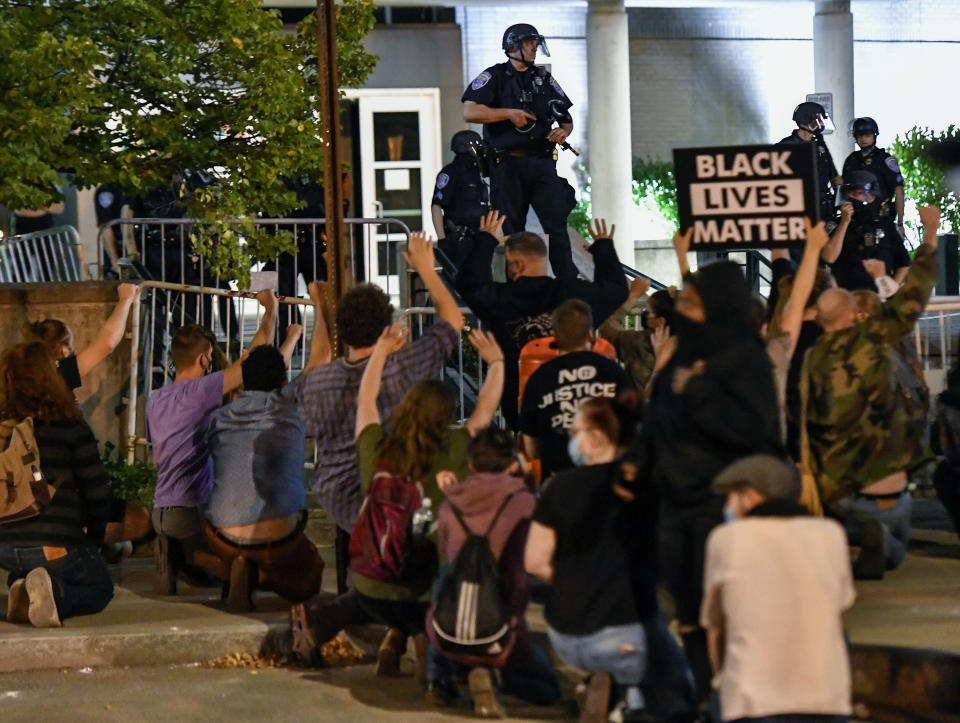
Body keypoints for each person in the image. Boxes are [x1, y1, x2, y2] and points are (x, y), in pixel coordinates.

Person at [291, 322, 505, 681]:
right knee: (438, 569)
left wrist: (380, 354)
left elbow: (365, 400)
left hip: (373, 588)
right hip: (424, 598)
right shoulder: (454, 450)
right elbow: (484, 410)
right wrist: (496, 364)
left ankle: (320, 629)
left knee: (367, 594)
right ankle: (424, 648)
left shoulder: (378, 448)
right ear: (448, 418)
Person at [642, 247, 782, 708]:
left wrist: (699, 391)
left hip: (719, 507)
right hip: (676, 506)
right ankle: (703, 695)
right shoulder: (684, 355)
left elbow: (750, 430)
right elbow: (661, 418)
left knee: (725, 613)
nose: (683, 312)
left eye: (692, 305)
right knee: (689, 614)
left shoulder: (745, 359)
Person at [804, 206, 940, 580]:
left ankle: (860, 534)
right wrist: (930, 233)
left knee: (854, 530)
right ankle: (882, 536)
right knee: (896, 550)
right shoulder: (875, 337)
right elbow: (916, 290)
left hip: (838, 495)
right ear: (854, 316)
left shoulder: (813, 358)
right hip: (888, 492)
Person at [296, 231, 464, 535]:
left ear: (343, 331)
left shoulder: (318, 381)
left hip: (337, 497)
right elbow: (453, 320)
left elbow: (308, 425)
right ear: (387, 326)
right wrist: (426, 268)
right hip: (395, 494)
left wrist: (320, 308)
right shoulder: (404, 366)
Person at [525, 396, 662, 722]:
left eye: (576, 432)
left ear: (597, 436)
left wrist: (573, 578)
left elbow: (533, 561)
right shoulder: (644, 487)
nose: (572, 440)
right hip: (622, 629)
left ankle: (599, 684)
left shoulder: (560, 487)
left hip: (567, 631)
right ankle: (626, 699)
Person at [202, 285, 332, 611]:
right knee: (310, 579)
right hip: (280, 535)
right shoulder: (290, 405)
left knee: (203, 545)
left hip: (222, 533)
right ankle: (262, 576)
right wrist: (321, 304)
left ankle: (241, 569)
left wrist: (270, 313)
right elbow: (322, 358)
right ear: (284, 382)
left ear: (242, 381)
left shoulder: (220, 415)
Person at [701, 455, 855, 723]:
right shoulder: (831, 534)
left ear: (749, 496)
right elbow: (840, 607)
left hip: (754, 702)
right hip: (827, 699)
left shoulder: (727, 539)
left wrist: (721, 682)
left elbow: (715, 629)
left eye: (730, 498)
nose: (727, 507)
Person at [147, 289, 278, 594]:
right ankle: (192, 560)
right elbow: (257, 360)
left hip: (160, 510)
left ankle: (176, 555)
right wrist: (270, 310)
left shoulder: (155, 399)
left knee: (205, 565)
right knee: (245, 568)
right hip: (192, 512)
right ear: (204, 358)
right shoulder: (201, 392)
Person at [429, 427, 560, 717]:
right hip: (502, 632)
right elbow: (533, 561)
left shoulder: (450, 504)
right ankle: (491, 674)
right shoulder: (525, 502)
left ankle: (443, 675)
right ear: (513, 464)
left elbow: (448, 552)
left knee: (447, 575)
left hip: (448, 633)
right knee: (549, 689)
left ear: (472, 464)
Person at [456, 212, 628, 429]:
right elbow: (617, 290)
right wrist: (603, 249)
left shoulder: (500, 298)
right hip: (575, 406)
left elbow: (468, 284)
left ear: (515, 265)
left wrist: (486, 240)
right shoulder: (574, 294)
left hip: (521, 406)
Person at [0, 342, 114, 627]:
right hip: (54, 547)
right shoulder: (69, 426)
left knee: (29, 571)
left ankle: (21, 586)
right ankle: (58, 597)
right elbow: (98, 493)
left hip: (4, 549)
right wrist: (94, 542)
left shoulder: (3, 428)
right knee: (99, 588)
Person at [461, 23, 578, 280]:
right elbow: (470, 111)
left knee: (556, 225)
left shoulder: (543, 77)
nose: (534, 49)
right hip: (507, 166)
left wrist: (565, 130)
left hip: (542, 162)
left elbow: (565, 115)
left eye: (536, 44)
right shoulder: (494, 76)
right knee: (513, 231)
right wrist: (508, 113)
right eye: (529, 44)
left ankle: (568, 285)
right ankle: (518, 287)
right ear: (513, 46)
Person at [520, 299, 634, 480]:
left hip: (559, 483)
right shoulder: (612, 371)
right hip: (607, 481)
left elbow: (531, 448)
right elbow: (633, 429)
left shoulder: (539, 379)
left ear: (555, 336)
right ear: (590, 335)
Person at [825, 170, 910, 291]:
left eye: (857, 193)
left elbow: (903, 263)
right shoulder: (836, 224)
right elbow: (829, 258)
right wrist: (844, 222)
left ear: (871, 196)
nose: (851, 198)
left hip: (878, 298)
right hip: (847, 298)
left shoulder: (886, 225)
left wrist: (890, 289)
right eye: (850, 194)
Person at [432, 130, 490, 268]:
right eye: (477, 146)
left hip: (481, 238)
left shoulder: (479, 172)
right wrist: (442, 239)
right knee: (458, 281)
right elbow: (437, 206)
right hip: (458, 239)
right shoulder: (450, 172)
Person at [778, 102, 842, 225]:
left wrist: (842, 202)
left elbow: (835, 178)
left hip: (824, 211)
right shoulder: (786, 146)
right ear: (806, 120)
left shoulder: (819, 145)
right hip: (799, 212)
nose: (821, 123)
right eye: (818, 119)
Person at [841, 117, 905, 237]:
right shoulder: (851, 160)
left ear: (874, 136)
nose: (863, 139)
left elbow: (899, 191)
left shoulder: (885, 160)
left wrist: (900, 223)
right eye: (860, 136)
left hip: (880, 219)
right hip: (855, 220)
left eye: (867, 135)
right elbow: (843, 191)